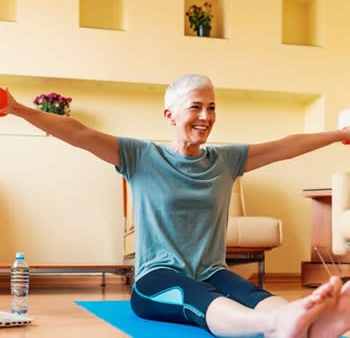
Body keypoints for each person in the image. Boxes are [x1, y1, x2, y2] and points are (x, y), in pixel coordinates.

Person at [2, 74, 350, 338]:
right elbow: (78, 132)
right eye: (196, 106)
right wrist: (17, 109)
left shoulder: (226, 160)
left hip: (213, 270)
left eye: (212, 106)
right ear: (169, 114)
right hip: (157, 279)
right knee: (197, 296)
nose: (206, 115)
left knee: (249, 291)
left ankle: (309, 322)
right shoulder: (140, 157)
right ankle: (278, 324)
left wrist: (338, 134)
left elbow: (285, 146)